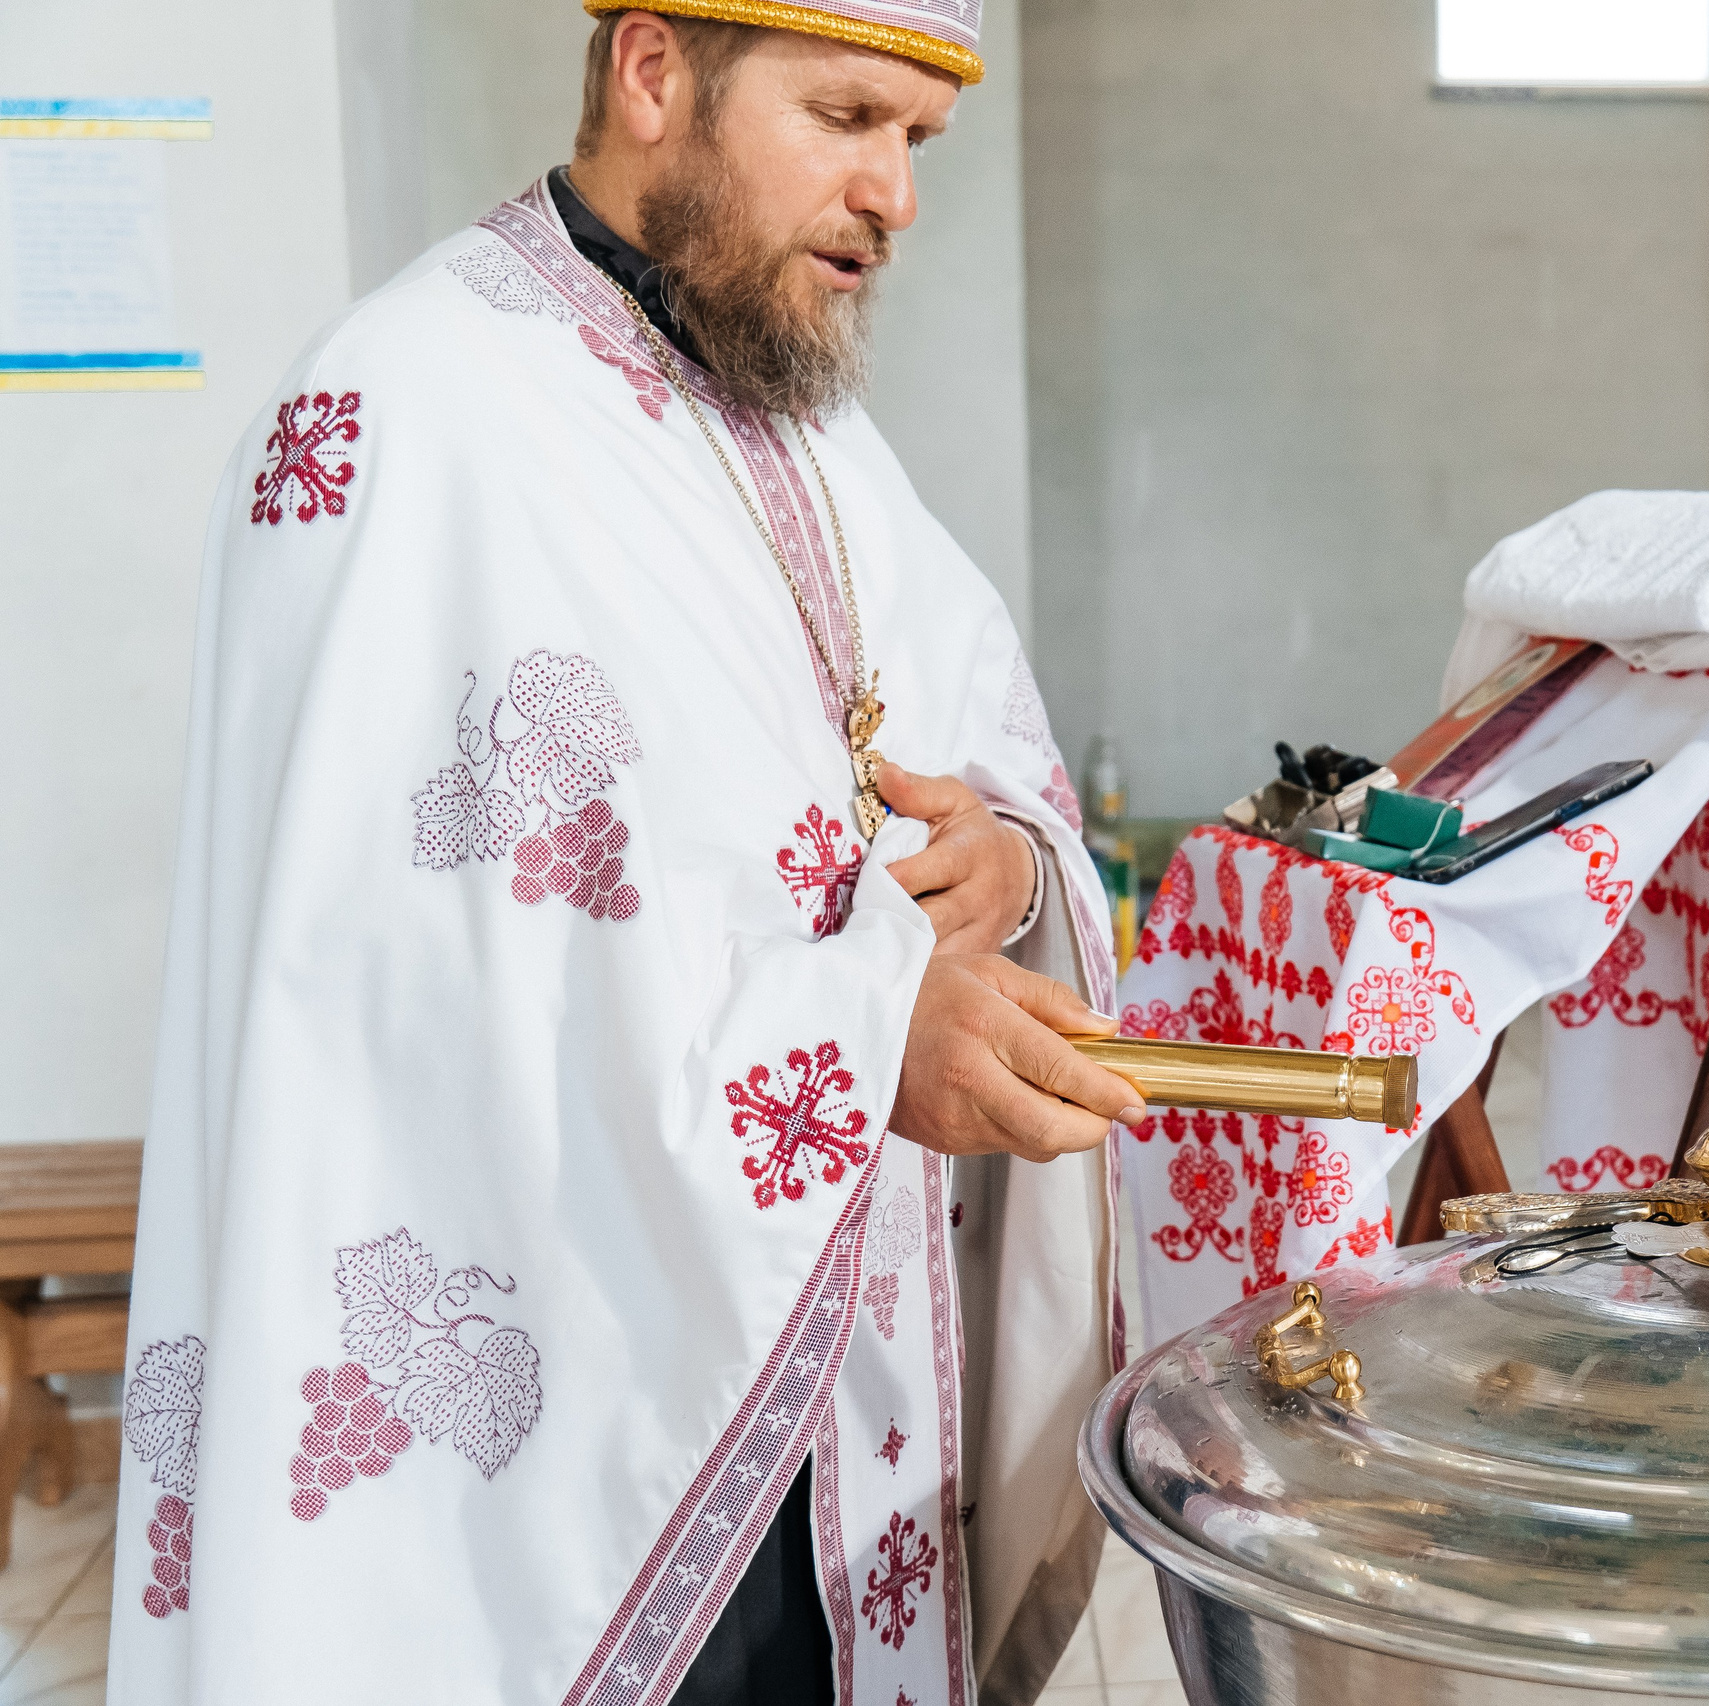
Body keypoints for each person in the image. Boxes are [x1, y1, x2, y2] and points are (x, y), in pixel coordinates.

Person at [109, 7, 1133, 1702]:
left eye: (920, 142)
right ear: (655, 74)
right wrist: (860, 1039)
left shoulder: (797, 412)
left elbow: (975, 721)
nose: (894, 192)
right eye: (850, 115)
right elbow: (389, 996)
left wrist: (1012, 864)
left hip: (836, 1373)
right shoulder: (402, 415)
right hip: (564, 1430)